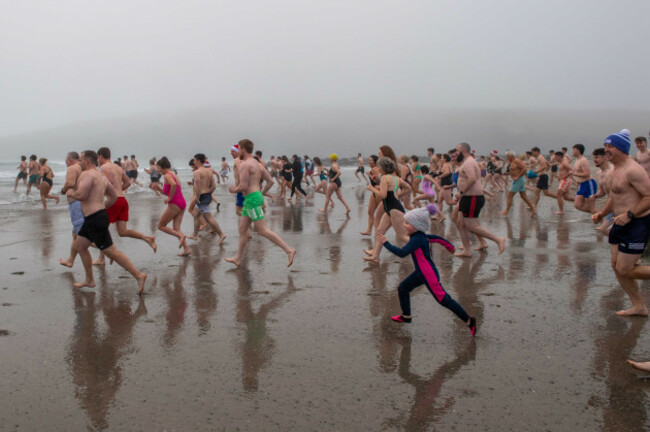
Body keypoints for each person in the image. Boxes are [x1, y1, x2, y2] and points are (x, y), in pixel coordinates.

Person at [378, 204, 477, 335]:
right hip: (421, 272)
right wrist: (450, 246)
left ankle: (469, 320)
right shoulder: (420, 236)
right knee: (403, 288)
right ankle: (406, 316)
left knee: (444, 300)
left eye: (407, 223)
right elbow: (437, 238)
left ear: (416, 226)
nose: (404, 225)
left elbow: (402, 253)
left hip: (428, 274)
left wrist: (386, 243)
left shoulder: (417, 239)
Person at [65, 150, 147, 294]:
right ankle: (89, 280)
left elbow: (82, 195)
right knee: (80, 245)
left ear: (87, 161)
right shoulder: (101, 176)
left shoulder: (86, 174)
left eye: (81, 160)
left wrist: (71, 192)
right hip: (97, 216)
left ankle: (138, 275)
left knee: (112, 252)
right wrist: (103, 207)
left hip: (95, 218)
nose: (80, 163)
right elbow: (114, 196)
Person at [592, 131, 650, 317]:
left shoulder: (633, 170)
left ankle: (639, 305)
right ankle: (639, 306)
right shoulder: (613, 171)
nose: (607, 150)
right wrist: (602, 213)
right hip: (619, 222)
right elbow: (614, 197)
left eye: (611, 146)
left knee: (625, 269)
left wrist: (630, 214)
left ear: (622, 148)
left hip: (637, 222)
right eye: (606, 146)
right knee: (616, 265)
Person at [225, 139, 296, 267]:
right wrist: (261, 193)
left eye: (239, 148)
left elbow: (243, 186)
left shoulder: (245, 165)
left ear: (243, 149)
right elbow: (270, 181)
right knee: (242, 229)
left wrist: (233, 190)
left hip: (251, 199)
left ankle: (289, 250)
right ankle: (238, 258)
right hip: (252, 198)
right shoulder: (257, 164)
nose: (238, 151)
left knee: (262, 230)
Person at [94, 147, 156, 265]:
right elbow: (127, 182)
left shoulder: (103, 168)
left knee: (101, 230)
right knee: (122, 231)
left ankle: (104, 257)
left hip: (113, 201)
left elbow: (107, 183)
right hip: (122, 200)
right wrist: (118, 192)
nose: (98, 160)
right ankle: (147, 238)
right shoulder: (117, 167)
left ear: (101, 156)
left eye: (98, 157)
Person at [453, 143, 505, 258]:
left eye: (457, 151)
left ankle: (498, 239)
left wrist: (461, 192)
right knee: (461, 224)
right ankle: (467, 250)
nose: (456, 153)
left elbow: (471, 179)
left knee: (471, 226)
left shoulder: (468, 163)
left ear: (462, 150)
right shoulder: (468, 162)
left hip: (472, 198)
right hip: (467, 198)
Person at [363, 157, 411, 263]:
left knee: (401, 236)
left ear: (383, 167)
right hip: (392, 208)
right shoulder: (395, 178)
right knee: (380, 231)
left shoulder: (384, 178)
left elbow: (383, 196)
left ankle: (424, 245)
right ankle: (375, 257)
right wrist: (398, 195)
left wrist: (372, 189)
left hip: (394, 210)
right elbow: (408, 187)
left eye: (379, 167)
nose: (378, 169)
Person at [156, 157, 192, 256]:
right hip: (182, 203)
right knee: (176, 228)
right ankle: (187, 249)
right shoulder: (173, 174)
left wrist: (169, 198)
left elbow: (173, 186)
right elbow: (169, 190)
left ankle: (181, 236)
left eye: (158, 168)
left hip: (175, 203)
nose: (158, 170)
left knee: (161, 226)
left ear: (163, 167)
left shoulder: (167, 176)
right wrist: (159, 189)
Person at [188, 153, 226, 245]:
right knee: (196, 214)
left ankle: (221, 235)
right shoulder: (209, 171)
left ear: (198, 161)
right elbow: (213, 186)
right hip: (207, 195)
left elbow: (196, 185)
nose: (194, 162)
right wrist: (208, 193)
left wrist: (197, 197)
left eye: (194, 160)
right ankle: (194, 235)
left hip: (201, 197)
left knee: (208, 217)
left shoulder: (196, 172)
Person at [59, 152, 84, 268]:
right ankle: (70, 260)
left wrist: (63, 190)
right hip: (84, 201)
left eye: (65, 161)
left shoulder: (72, 168)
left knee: (81, 236)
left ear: (69, 160)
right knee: (75, 234)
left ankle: (108, 250)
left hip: (76, 203)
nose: (66, 164)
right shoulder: (85, 167)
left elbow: (70, 183)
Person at [499, 151, 536, 216]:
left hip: (519, 180)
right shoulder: (513, 162)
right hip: (519, 180)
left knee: (509, 195)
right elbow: (516, 170)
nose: (507, 158)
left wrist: (517, 176)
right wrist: (507, 173)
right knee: (523, 196)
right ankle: (533, 208)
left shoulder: (517, 161)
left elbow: (524, 169)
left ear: (511, 156)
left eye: (507, 156)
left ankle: (506, 211)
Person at [591, 148, 614, 233]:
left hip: (621, 207)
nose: (594, 160)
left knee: (608, 231)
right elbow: (603, 191)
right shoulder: (599, 174)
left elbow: (616, 194)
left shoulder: (613, 171)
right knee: (604, 230)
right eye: (593, 158)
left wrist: (601, 214)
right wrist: (595, 196)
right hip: (613, 208)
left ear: (605, 158)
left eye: (597, 157)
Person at [572, 144, 598, 213]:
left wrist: (574, 174)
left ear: (578, 151)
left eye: (574, 150)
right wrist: (577, 181)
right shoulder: (577, 160)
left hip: (589, 183)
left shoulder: (583, 160)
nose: (572, 151)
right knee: (577, 205)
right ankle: (599, 215)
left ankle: (602, 218)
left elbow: (587, 174)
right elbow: (578, 172)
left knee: (591, 207)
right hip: (582, 184)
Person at [360, 155, 381, 236]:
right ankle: (369, 230)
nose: (369, 162)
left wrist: (370, 175)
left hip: (378, 192)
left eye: (371, 160)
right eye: (368, 160)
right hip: (374, 192)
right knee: (370, 212)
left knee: (383, 214)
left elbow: (380, 181)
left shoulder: (375, 169)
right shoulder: (373, 169)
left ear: (375, 161)